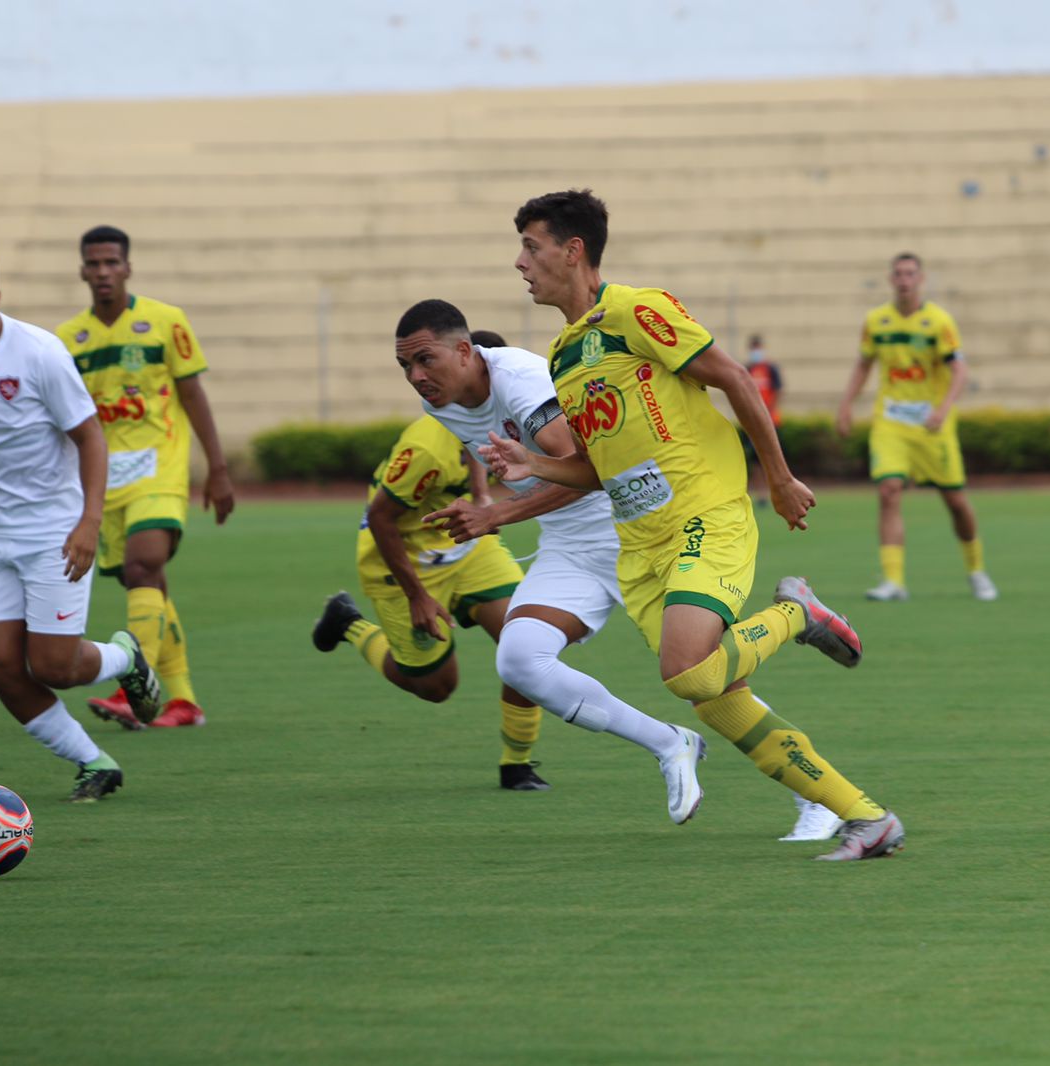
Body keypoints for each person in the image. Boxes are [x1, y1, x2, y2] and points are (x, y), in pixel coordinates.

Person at [499, 188, 903, 860]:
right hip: (642, 546)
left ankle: (796, 615)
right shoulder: (565, 357)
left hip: (702, 512)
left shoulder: (636, 310)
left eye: (531, 247)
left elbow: (734, 377)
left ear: (573, 251)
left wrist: (777, 476)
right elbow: (603, 469)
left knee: (687, 673)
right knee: (715, 696)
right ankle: (867, 817)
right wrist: (530, 467)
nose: (520, 262)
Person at [318, 308, 707, 817]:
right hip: (558, 545)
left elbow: (589, 471)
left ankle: (817, 784)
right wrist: (484, 504)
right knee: (515, 661)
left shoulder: (522, 385)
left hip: (633, 529)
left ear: (465, 353)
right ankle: (669, 743)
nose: (415, 376)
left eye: (424, 360)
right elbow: (472, 464)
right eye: (405, 366)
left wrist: (497, 512)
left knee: (704, 677)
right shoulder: (438, 406)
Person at [0, 242, 162, 802]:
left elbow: (90, 437)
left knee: (54, 667)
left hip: (53, 531)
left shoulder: (40, 353)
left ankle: (125, 656)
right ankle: (93, 762)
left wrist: (89, 521)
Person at [312, 404, 552, 790]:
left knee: (526, 640)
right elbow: (380, 519)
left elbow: (474, 446)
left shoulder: (488, 416)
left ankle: (517, 765)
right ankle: (348, 623)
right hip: (404, 564)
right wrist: (417, 596)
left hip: (467, 547)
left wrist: (480, 495)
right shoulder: (427, 449)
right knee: (436, 687)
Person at [57, 225, 234, 729]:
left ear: (128, 267)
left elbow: (193, 395)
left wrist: (217, 469)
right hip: (103, 481)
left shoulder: (165, 322)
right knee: (148, 581)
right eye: (94, 264)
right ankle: (182, 701)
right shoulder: (68, 340)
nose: (103, 272)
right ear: (82, 271)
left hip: (160, 467)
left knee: (143, 565)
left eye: (112, 262)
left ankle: (130, 680)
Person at [836, 253, 998, 603]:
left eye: (910, 273)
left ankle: (977, 571)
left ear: (920, 279)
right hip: (891, 422)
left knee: (955, 501)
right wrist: (846, 404)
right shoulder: (876, 321)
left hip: (931, 425)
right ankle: (894, 580)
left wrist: (942, 409)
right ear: (890, 279)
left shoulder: (939, 321)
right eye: (898, 274)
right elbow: (864, 364)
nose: (904, 279)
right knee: (888, 491)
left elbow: (959, 370)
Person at [740, 334, 783, 507]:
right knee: (755, 462)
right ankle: (761, 494)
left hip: (771, 421)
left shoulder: (771, 369)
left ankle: (776, 491)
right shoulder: (746, 370)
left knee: (772, 458)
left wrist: (767, 412)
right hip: (752, 422)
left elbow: (778, 391)